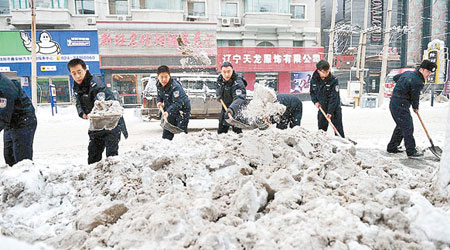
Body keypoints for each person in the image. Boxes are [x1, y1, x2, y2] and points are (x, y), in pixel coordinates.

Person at [68, 58, 128, 164]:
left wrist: (93, 113)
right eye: (73, 73)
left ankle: (112, 178)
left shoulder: (96, 84)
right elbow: (78, 102)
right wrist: (82, 113)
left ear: (85, 70)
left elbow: (102, 104)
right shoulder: (77, 85)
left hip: (111, 123)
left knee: (111, 158)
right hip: (96, 124)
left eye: (79, 72)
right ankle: (94, 179)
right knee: (93, 156)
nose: (77, 76)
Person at [386, 59, 436, 158]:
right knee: (408, 127)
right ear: (421, 69)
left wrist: (403, 84)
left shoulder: (409, 73)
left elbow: (396, 78)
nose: (428, 74)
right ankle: (411, 150)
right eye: (427, 71)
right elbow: (415, 96)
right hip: (400, 105)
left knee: (401, 125)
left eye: (430, 72)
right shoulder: (418, 81)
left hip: (395, 103)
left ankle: (392, 147)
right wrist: (415, 107)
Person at [0, 73, 37, 166]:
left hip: (23, 121)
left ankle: (28, 178)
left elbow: (3, 116)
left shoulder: (4, 88)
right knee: (9, 156)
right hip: (10, 121)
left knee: (21, 160)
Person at [310, 60, 345, 137]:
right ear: (319, 71)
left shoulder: (333, 80)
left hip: (334, 109)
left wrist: (330, 112)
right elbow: (312, 92)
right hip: (322, 108)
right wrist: (315, 101)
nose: (326, 73)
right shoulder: (314, 80)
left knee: (338, 129)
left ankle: (342, 143)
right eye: (324, 71)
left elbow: (334, 97)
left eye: (327, 71)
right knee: (321, 131)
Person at [156, 65, 191, 140]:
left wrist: (168, 112)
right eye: (161, 77)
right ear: (158, 76)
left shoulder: (175, 87)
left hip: (182, 109)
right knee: (167, 133)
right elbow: (159, 95)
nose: (164, 79)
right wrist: (159, 101)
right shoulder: (159, 84)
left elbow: (178, 103)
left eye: (166, 76)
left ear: (169, 76)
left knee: (181, 134)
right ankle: (167, 145)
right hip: (170, 108)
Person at [216, 61, 248, 134]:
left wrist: (232, 109)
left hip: (236, 109)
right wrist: (218, 95)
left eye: (229, 71)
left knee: (237, 133)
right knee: (221, 132)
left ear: (232, 71)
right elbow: (218, 88)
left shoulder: (238, 82)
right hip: (225, 108)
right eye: (224, 72)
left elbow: (239, 98)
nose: (226, 74)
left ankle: (239, 144)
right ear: (221, 72)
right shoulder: (220, 79)